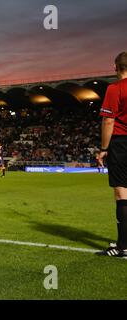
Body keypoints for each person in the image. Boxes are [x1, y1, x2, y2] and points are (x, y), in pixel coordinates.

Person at [97, 51, 127, 258]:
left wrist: (104, 149)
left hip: (121, 144)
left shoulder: (115, 88)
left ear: (116, 67)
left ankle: (123, 246)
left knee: (122, 193)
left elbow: (109, 121)